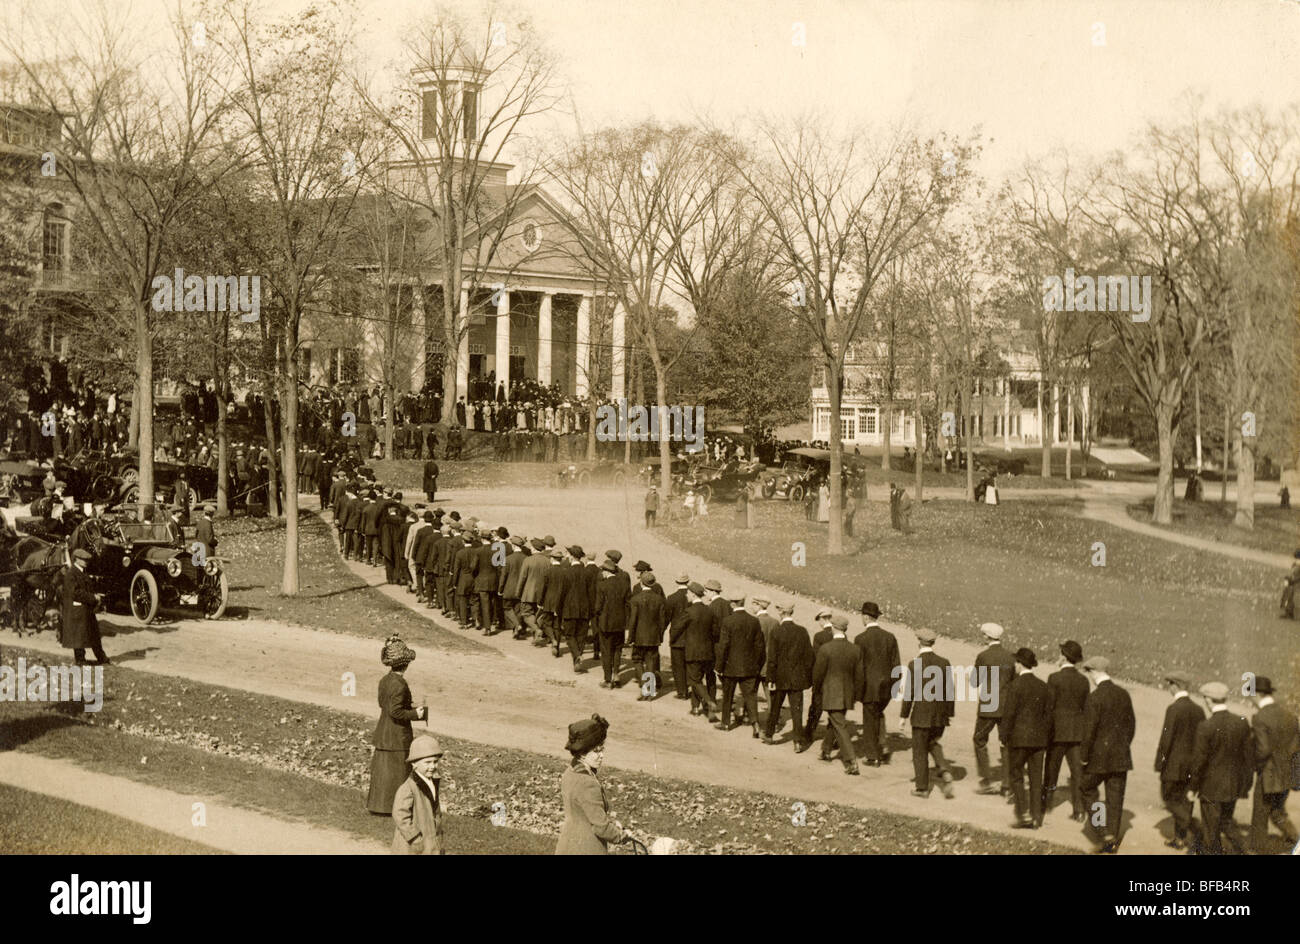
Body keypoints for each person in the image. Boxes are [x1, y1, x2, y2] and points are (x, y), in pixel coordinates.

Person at [1078, 656, 1136, 854]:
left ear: (1094, 672)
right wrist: (1123, 746)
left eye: (1089, 672)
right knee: (1115, 798)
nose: (1090, 676)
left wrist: (1084, 756)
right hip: (1121, 757)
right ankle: (1112, 837)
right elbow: (1131, 726)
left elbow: (1088, 731)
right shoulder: (1123, 694)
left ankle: (1102, 832)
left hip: (1098, 758)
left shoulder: (1095, 697)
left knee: (1086, 789)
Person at [366, 635, 429, 815]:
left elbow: (384, 705)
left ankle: (379, 806)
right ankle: (397, 807)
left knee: (383, 774)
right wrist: (416, 714)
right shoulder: (400, 684)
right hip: (397, 734)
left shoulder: (385, 680)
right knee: (399, 773)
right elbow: (396, 712)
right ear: (406, 664)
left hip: (383, 733)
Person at [1189, 681, 1253, 855]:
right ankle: (1244, 851)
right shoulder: (1241, 722)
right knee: (1225, 821)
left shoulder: (1205, 726)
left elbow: (1198, 762)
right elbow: (1248, 758)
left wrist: (1192, 787)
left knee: (1210, 829)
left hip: (1210, 787)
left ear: (1209, 700)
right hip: (1232, 786)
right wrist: (1245, 784)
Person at [556, 715, 632, 855]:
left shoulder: (570, 772)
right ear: (582, 753)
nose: (601, 755)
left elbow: (587, 814)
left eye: (602, 749)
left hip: (567, 845)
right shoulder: (588, 784)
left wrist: (613, 826)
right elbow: (601, 828)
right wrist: (622, 836)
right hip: (587, 848)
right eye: (596, 751)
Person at [899, 627, 955, 798]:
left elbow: (909, 693)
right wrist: (948, 714)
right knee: (932, 742)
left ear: (919, 643)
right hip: (940, 715)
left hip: (921, 715)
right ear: (932, 643)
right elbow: (949, 691)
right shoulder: (944, 662)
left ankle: (922, 788)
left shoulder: (914, 664)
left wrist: (903, 716)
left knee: (919, 750)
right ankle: (943, 767)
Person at [1154, 670, 1205, 850]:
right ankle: (1180, 838)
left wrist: (1159, 763)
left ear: (1175, 686)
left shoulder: (1174, 708)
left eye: (1169, 684)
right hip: (1191, 766)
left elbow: (1166, 739)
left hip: (1174, 765)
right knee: (1185, 801)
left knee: (1169, 799)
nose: (1168, 687)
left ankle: (1194, 828)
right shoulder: (1199, 710)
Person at [1248, 676, 1299, 853]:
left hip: (1268, 777)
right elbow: (1295, 747)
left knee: (1260, 817)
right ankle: (1295, 840)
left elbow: (1262, 750)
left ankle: (1257, 850)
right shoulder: (1290, 716)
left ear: (1257, 694)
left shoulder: (1260, 717)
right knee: (1278, 813)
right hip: (1286, 776)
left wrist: (1252, 765)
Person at [1002, 647, 1051, 828]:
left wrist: (1004, 735)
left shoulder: (1016, 685)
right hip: (1039, 741)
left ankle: (1023, 814)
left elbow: (1009, 714)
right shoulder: (1043, 686)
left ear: (1020, 664)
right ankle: (1036, 817)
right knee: (1036, 779)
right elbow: (1048, 716)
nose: (1014, 665)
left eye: (1016, 662)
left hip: (1019, 739)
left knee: (1016, 775)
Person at [1043, 641, 1089, 821]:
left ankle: (1046, 805)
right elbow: (1086, 708)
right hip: (1077, 733)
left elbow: (1049, 708)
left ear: (1063, 656)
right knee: (1077, 773)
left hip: (1057, 732)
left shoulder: (1054, 678)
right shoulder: (1083, 680)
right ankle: (1079, 810)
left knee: (1051, 769)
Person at [812, 615, 863, 775]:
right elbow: (859, 675)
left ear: (833, 628)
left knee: (839, 725)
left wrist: (816, 690)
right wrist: (856, 694)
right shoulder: (855, 649)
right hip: (848, 693)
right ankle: (825, 750)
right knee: (835, 720)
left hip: (831, 692)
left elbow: (818, 674)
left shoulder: (826, 648)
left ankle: (851, 761)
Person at [713, 589, 765, 736]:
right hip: (749, 667)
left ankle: (725, 723)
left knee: (728, 695)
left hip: (730, 666)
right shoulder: (754, 621)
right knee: (750, 696)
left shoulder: (728, 621)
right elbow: (759, 646)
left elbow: (723, 646)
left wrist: (719, 666)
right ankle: (755, 725)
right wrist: (756, 664)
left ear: (733, 603)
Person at [972, 622, 1015, 797]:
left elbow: (975, 681)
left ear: (987, 637)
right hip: (1006, 706)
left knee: (979, 740)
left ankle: (986, 780)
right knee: (1006, 743)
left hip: (989, 704)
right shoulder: (1011, 657)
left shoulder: (983, 656)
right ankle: (1007, 785)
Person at [855, 601, 900, 767]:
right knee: (878, 714)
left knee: (869, 720)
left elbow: (859, 668)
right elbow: (897, 666)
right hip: (886, 687)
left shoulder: (860, 639)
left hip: (869, 688)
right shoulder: (890, 637)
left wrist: (857, 691)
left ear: (866, 617)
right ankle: (883, 745)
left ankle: (872, 756)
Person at [764, 601, 813, 751]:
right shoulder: (802, 631)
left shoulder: (777, 632)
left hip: (780, 677)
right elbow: (809, 657)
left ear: (780, 612)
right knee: (797, 710)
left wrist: (770, 678)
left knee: (775, 707)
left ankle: (769, 734)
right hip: (797, 678)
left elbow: (772, 658)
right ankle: (797, 741)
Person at [391, 735, 446, 855]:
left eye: (435, 762)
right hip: (412, 845)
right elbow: (400, 814)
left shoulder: (432, 781)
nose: (432, 766)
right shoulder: (408, 788)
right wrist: (414, 837)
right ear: (414, 764)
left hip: (431, 839)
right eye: (427, 763)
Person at [59, 548, 109, 665]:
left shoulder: (81, 572)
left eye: (87, 559)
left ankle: (102, 658)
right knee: (79, 638)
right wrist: (93, 597)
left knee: (94, 635)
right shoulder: (71, 573)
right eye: (83, 559)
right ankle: (81, 660)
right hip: (77, 610)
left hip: (85, 609)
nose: (86, 561)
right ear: (76, 559)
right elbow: (75, 593)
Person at [627, 572, 666, 698]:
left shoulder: (635, 599)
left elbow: (632, 621)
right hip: (654, 637)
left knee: (637, 660)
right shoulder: (659, 599)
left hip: (639, 637)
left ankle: (645, 686)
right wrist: (660, 636)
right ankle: (650, 689)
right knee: (651, 663)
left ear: (641, 583)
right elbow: (662, 621)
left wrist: (630, 637)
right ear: (653, 583)